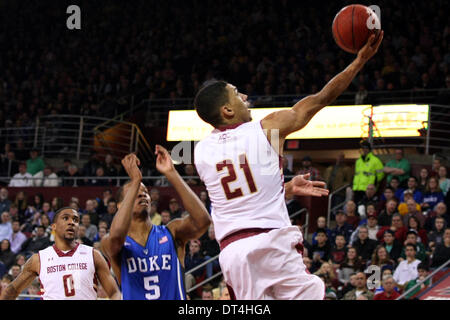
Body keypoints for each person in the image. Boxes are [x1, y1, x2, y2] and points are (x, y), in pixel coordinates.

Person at [193, 32, 382, 300]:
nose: (245, 95)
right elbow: (319, 100)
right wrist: (359, 62)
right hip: (270, 244)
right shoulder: (266, 129)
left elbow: (239, 195)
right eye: (236, 93)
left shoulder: (201, 152)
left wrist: (286, 188)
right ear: (227, 110)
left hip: (233, 254)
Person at [100, 150, 211, 300]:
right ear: (120, 205)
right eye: (134, 192)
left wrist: (171, 173)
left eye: (145, 192)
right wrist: (135, 180)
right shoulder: (110, 241)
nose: (141, 194)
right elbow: (117, 235)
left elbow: (202, 221)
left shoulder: (172, 232)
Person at [0, 207, 121, 300]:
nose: (71, 222)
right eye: (65, 218)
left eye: (75, 220)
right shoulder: (39, 259)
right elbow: (12, 290)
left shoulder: (93, 255)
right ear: (54, 226)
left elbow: (114, 292)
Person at [352, 140, 384, 205]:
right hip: (357, 189)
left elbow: (380, 175)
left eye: (365, 148)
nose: (364, 150)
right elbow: (357, 174)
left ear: (369, 149)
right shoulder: (358, 161)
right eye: (362, 148)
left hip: (368, 190)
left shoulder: (375, 160)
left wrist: (374, 185)